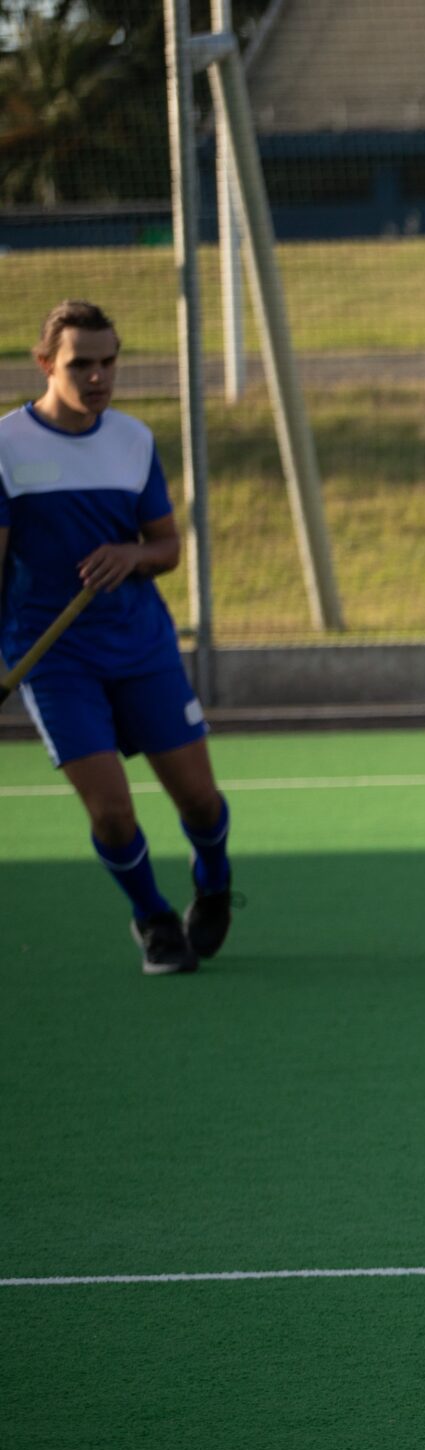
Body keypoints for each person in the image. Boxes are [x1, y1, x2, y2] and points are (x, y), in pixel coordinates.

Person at [0, 300, 232, 975]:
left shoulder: (132, 440)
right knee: (111, 813)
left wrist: (131, 556)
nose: (98, 377)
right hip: (54, 658)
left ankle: (214, 881)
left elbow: (165, 546)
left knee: (200, 800)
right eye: (82, 364)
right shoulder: (8, 447)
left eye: (108, 362)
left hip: (141, 646)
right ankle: (155, 918)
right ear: (45, 364)